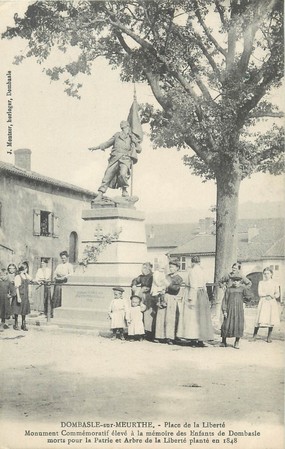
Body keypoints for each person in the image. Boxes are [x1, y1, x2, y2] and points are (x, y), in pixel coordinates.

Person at [89, 120, 142, 200]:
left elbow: (139, 150)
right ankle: (100, 194)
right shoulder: (117, 135)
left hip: (125, 158)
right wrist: (97, 147)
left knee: (123, 174)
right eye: (125, 128)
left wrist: (135, 142)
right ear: (123, 128)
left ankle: (124, 190)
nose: (127, 129)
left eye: (127, 127)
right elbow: (107, 143)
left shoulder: (131, 138)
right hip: (115, 157)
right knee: (108, 175)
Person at [177, 256, 214, 347]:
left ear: (192, 262)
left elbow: (193, 286)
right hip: (202, 294)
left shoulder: (193, 271)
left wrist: (191, 299)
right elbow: (205, 284)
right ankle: (200, 339)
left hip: (194, 294)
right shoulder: (202, 271)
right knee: (201, 317)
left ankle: (193, 339)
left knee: (192, 317)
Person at [154, 258, 183, 345]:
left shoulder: (179, 278)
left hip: (172, 298)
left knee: (170, 318)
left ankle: (170, 337)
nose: (171, 269)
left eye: (173, 267)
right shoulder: (166, 276)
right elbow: (160, 284)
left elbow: (175, 289)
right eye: (170, 267)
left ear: (177, 268)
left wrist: (167, 284)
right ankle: (160, 336)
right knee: (161, 316)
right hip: (164, 297)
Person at [221, 274, 252, 349]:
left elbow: (248, 296)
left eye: (237, 281)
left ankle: (237, 341)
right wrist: (224, 310)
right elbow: (225, 300)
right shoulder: (229, 289)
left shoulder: (242, 289)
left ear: (240, 281)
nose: (235, 282)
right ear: (231, 281)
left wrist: (245, 299)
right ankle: (223, 341)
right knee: (226, 324)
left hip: (238, 310)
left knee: (238, 324)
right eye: (234, 281)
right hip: (229, 309)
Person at [252, 267, 280, 343]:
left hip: (271, 302)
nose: (266, 275)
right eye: (265, 274)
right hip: (263, 301)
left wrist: (273, 296)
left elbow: (277, 294)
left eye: (268, 273)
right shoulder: (261, 282)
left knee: (271, 318)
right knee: (259, 318)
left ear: (271, 274)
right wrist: (268, 294)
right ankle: (254, 335)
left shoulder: (275, 283)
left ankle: (269, 336)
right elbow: (259, 293)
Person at [131, 262, 154, 339]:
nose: (142, 269)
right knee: (140, 312)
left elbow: (156, 285)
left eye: (144, 267)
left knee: (148, 313)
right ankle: (140, 331)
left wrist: (149, 289)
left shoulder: (152, 276)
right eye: (142, 267)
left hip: (150, 297)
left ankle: (149, 332)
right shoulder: (141, 277)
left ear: (149, 268)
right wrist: (134, 285)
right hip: (142, 296)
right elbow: (135, 280)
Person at [12, 263, 33, 331]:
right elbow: (17, 288)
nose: (27, 270)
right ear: (23, 269)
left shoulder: (26, 276)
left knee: (24, 310)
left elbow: (31, 279)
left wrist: (25, 273)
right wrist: (18, 297)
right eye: (26, 268)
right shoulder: (17, 277)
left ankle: (23, 324)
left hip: (25, 296)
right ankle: (16, 324)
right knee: (17, 310)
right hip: (20, 295)